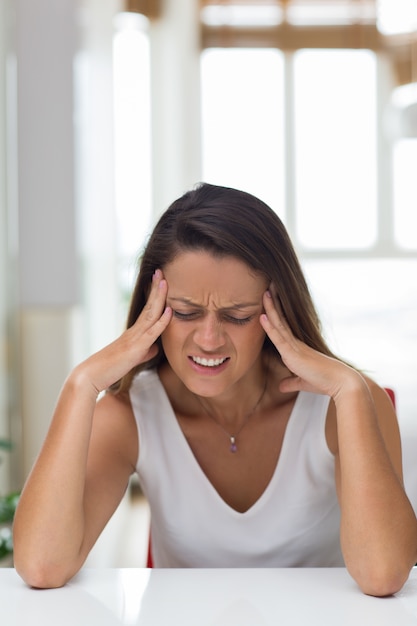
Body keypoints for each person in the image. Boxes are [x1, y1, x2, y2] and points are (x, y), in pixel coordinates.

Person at [13, 183, 417, 595]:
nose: (209, 339)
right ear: (152, 307)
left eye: (237, 316)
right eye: (186, 313)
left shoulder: (347, 400)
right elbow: (42, 567)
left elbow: (383, 574)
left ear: (276, 309)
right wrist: (80, 384)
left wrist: (349, 390)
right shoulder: (130, 413)